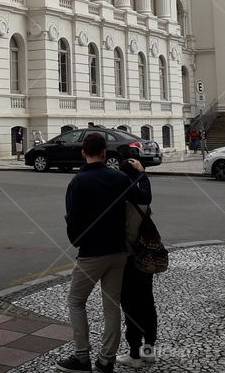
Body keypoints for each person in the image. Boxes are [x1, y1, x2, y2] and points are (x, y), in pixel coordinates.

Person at [57, 132, 151, 373]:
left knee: (76, 301)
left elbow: (72, 219)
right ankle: (106, 359)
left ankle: (81, 357)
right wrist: (141, 173)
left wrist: (78, 242)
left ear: (83, 153)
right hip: (118, 251)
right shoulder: (118, 178)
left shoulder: (78, 182)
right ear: (103, 153)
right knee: (112, 305)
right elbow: (144, 197)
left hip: (91, 253)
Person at [117, 160, 159, 369]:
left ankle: (134, 354)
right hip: (146, 258)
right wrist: (143, 173)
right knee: (147, 303)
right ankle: (149, 351)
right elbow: (146, 191)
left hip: (128, 259)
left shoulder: (120, 200)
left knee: (130, 307)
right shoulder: (143, 199)